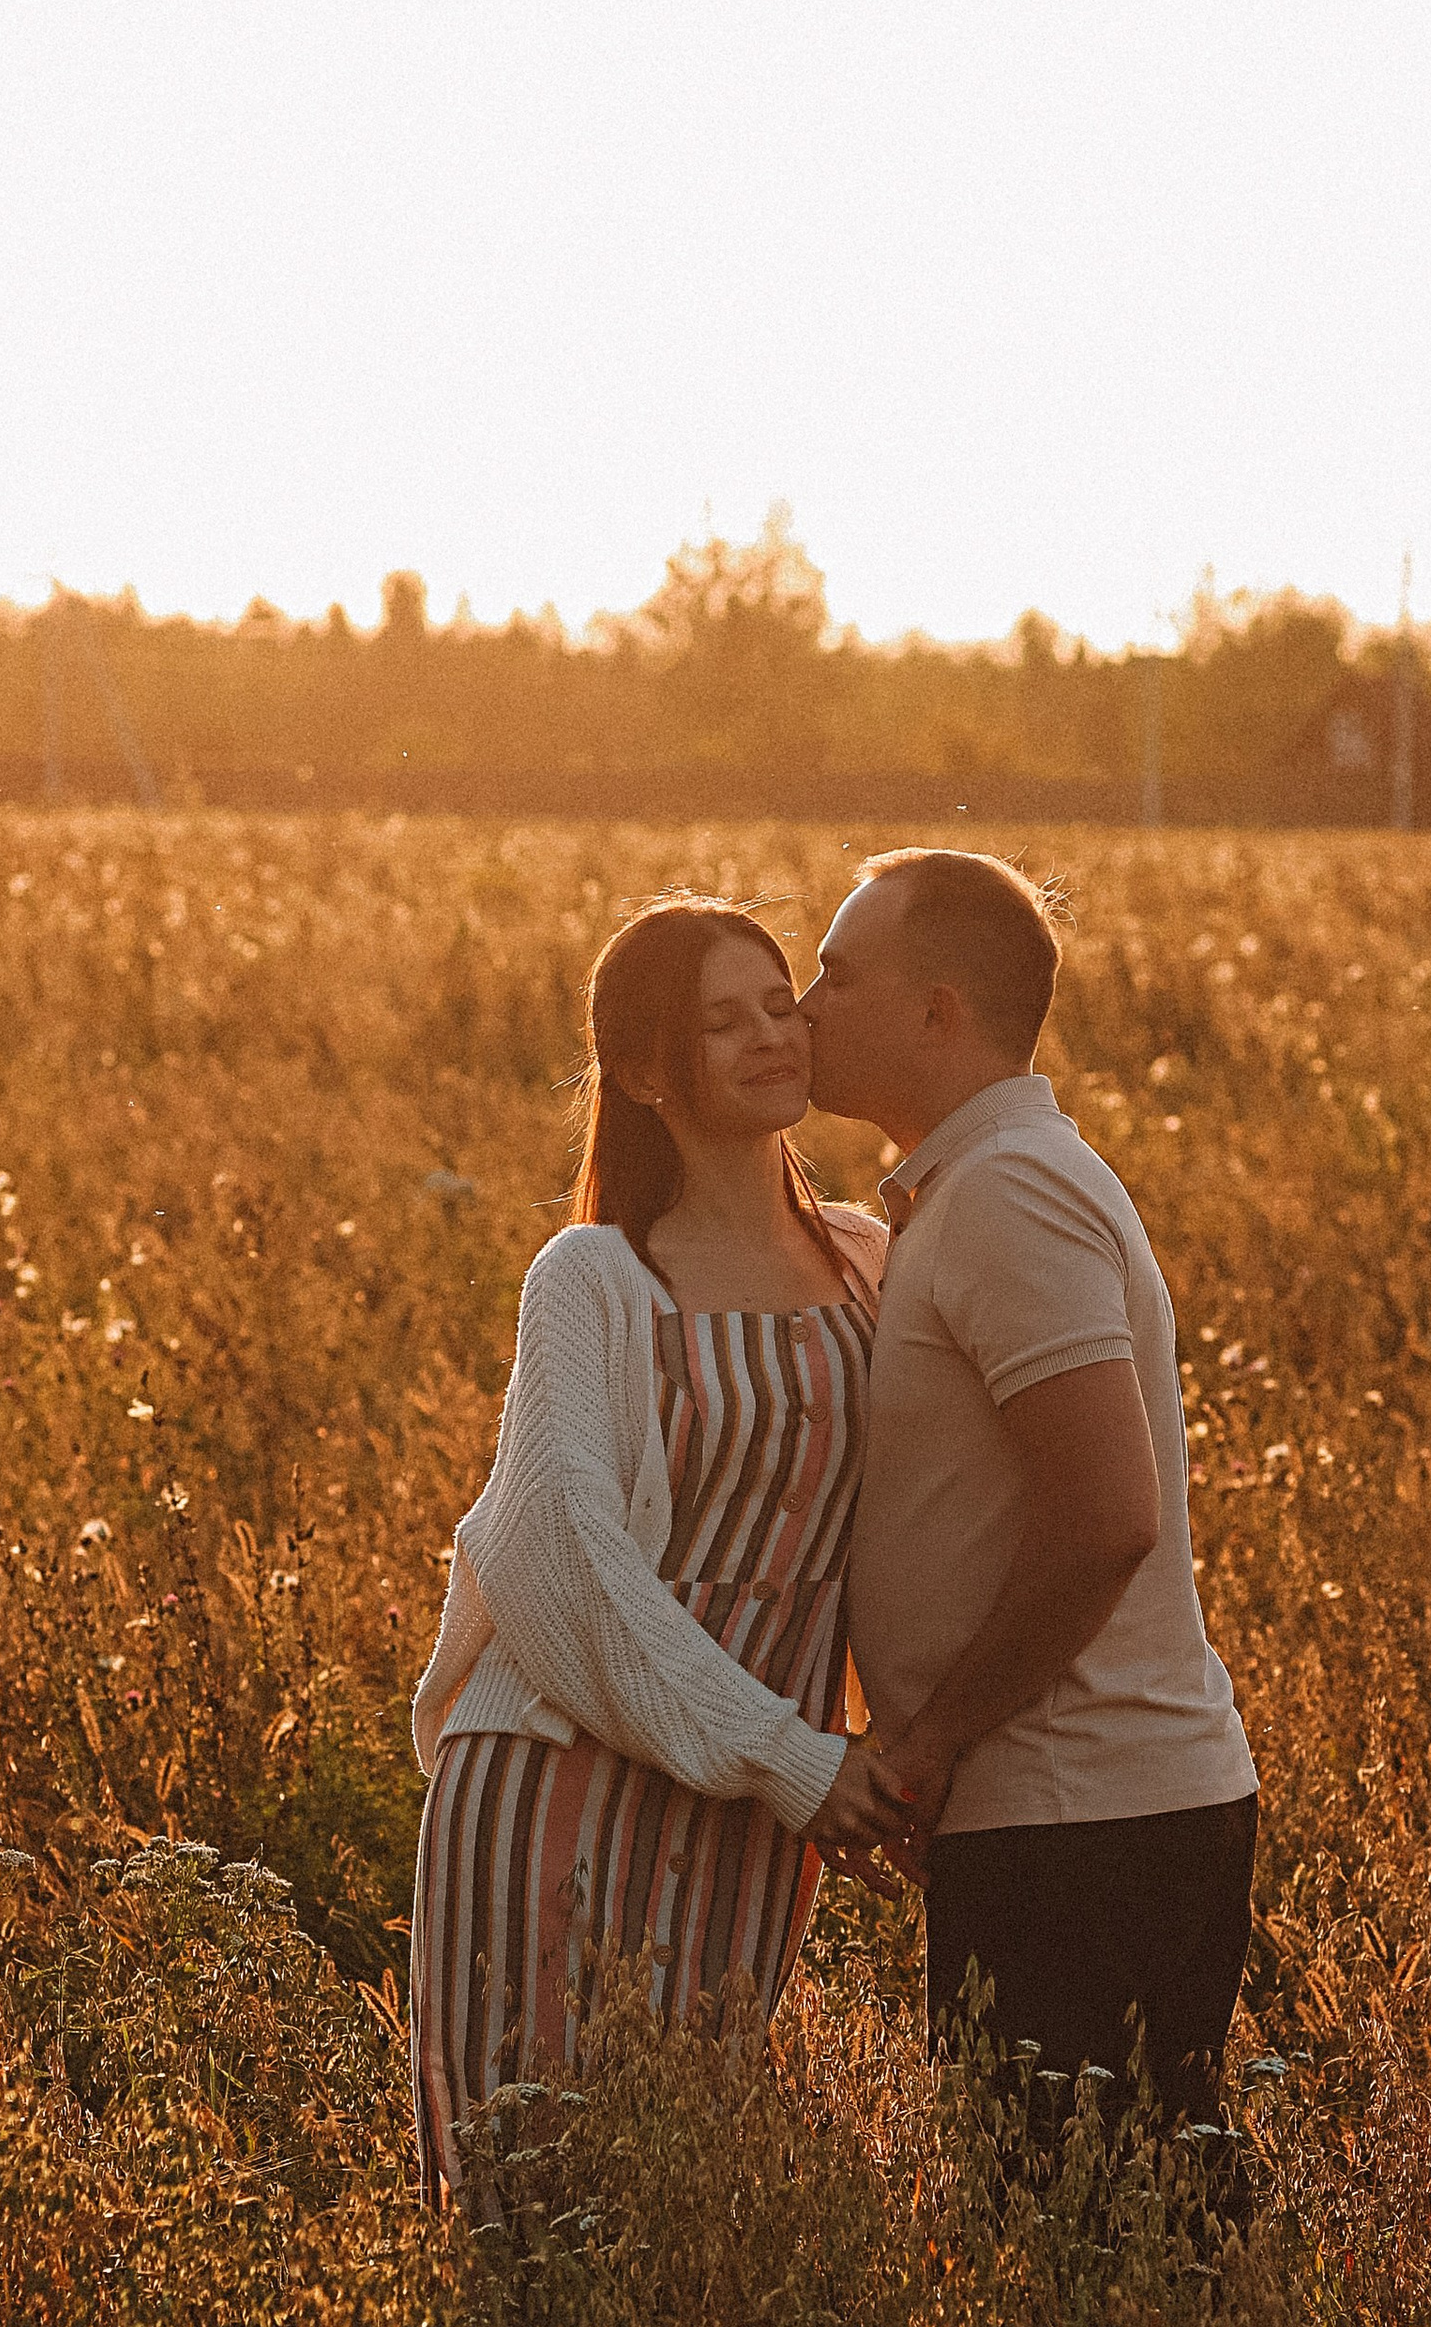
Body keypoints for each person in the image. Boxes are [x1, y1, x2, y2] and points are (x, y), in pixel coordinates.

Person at [409, 897, 910, 2207]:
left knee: (691, 2213)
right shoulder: (593, 1277)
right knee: (532, 2221)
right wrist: (797, 1755)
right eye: (719, 1019)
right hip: (553, 1791)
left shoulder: (872, 1260)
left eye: (777, 1002)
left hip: (747, 1811)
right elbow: (572, 1551)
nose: (769, 1034)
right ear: (641, 1072)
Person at [800, 847, 1259, 2168]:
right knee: (1101, 2227)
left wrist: (932, 1735)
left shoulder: (1010, 1193)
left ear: (937, 1010)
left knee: (1093, 2240)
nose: (806, 1003)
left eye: (839, 972)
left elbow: (1108, 1513)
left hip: (1086, 1818)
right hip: (1064, 1811)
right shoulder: (971, 1193)